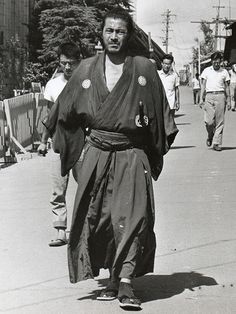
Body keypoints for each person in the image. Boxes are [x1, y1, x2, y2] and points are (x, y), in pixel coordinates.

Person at [45, 8, 178, 310]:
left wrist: (150, 147)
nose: (114, 36)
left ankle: (127, 281)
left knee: (133, 217)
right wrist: (73, 152)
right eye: (109, 31)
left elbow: (160, 116)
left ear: (128, 35)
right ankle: (112, 277)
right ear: (101, 35)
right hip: (96, 154)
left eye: (120, 31)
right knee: (101, 218)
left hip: (132, 154)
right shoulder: (86, 69)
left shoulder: (144, 68)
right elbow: (63, 114)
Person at [37, 42, 81, 246]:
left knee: (88, 186)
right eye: (64, 63)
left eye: (72, 63)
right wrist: (43, 140)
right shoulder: (53, 85)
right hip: (59, 141)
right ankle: (60, 229)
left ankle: (86, 229)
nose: (68, 67)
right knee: (58, 187)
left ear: (79, 61)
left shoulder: (87, 83)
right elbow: (49, 115)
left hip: (82, 141)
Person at [200, 51, 231, 151]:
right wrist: (201, 98)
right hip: (209, 96)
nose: (216, 64)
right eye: (214, 62)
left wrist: (229, 100)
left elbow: (227, 87)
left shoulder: (224, 72)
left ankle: (217, 143)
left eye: (218, 62)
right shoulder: (206, 71)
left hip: (221, 96)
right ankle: (210, 135)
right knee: (209, 122)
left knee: (219, 121)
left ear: (220, 62)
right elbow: (203, 85)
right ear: (211, 61)